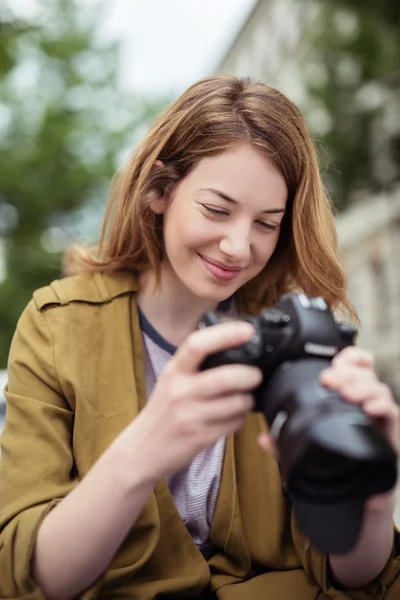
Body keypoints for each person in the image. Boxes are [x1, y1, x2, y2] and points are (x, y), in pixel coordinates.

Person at [0, 75, 399, 600]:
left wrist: (371, 500)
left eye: (267, 223)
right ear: (159, 192)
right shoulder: (58, 324)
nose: (237, 246)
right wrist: (145, 450)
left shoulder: (299, 335)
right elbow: (31, 576)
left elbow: (354, 573)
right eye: (216, 209)